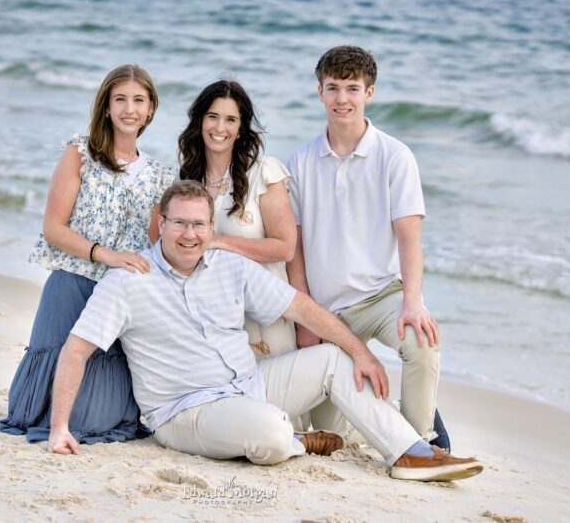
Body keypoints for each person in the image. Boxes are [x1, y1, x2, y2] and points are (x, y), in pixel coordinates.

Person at [46, 181, 483, 482]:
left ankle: (411, 452)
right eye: (178, 223)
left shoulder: (229, 266)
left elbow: (303, 309)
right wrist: (59, 428)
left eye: (199, 224)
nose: (189, 234)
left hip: (251, 385)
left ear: (210, 228)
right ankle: (294, 439)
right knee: (272, 432)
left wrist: (361, 352)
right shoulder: (128, 281)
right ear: (161, 224)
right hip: (185, 412)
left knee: (334, 357)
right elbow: (76, 350)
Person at [0, 64, 176, 444]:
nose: (130, 109)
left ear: (150, 109)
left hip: (119, 295)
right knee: (32, 413)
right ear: (106, 106)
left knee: (103, 417)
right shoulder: (80, 153)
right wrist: (105, 255)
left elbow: (155, 245)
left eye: (139, 100)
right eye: (121, 99)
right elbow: (53, 228)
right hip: (72, 283)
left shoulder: (161, 176)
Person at [285, 45, 450, 449]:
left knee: (423, 343)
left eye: (353, 89)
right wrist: (305, 315)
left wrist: (413, 301)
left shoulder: (395, 156)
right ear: (319, 92)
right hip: (329, 311)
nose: (343, 99)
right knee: (330, 436)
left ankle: (418, 443)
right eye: (333, 88)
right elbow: (296, 249)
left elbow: (410, 239)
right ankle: (389, 414)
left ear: (369, 93)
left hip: (383, 296)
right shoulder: (301, 160)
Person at [177, 80, 296, 359]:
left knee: (276, 398)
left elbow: (285, 247)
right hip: (210, 320)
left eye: (230, 119)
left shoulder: (264, 174)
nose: (220, 128)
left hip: (265, 315)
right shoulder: (186, 181)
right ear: (200, 120)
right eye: (213, 117)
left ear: (241, 128)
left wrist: (217, 241)